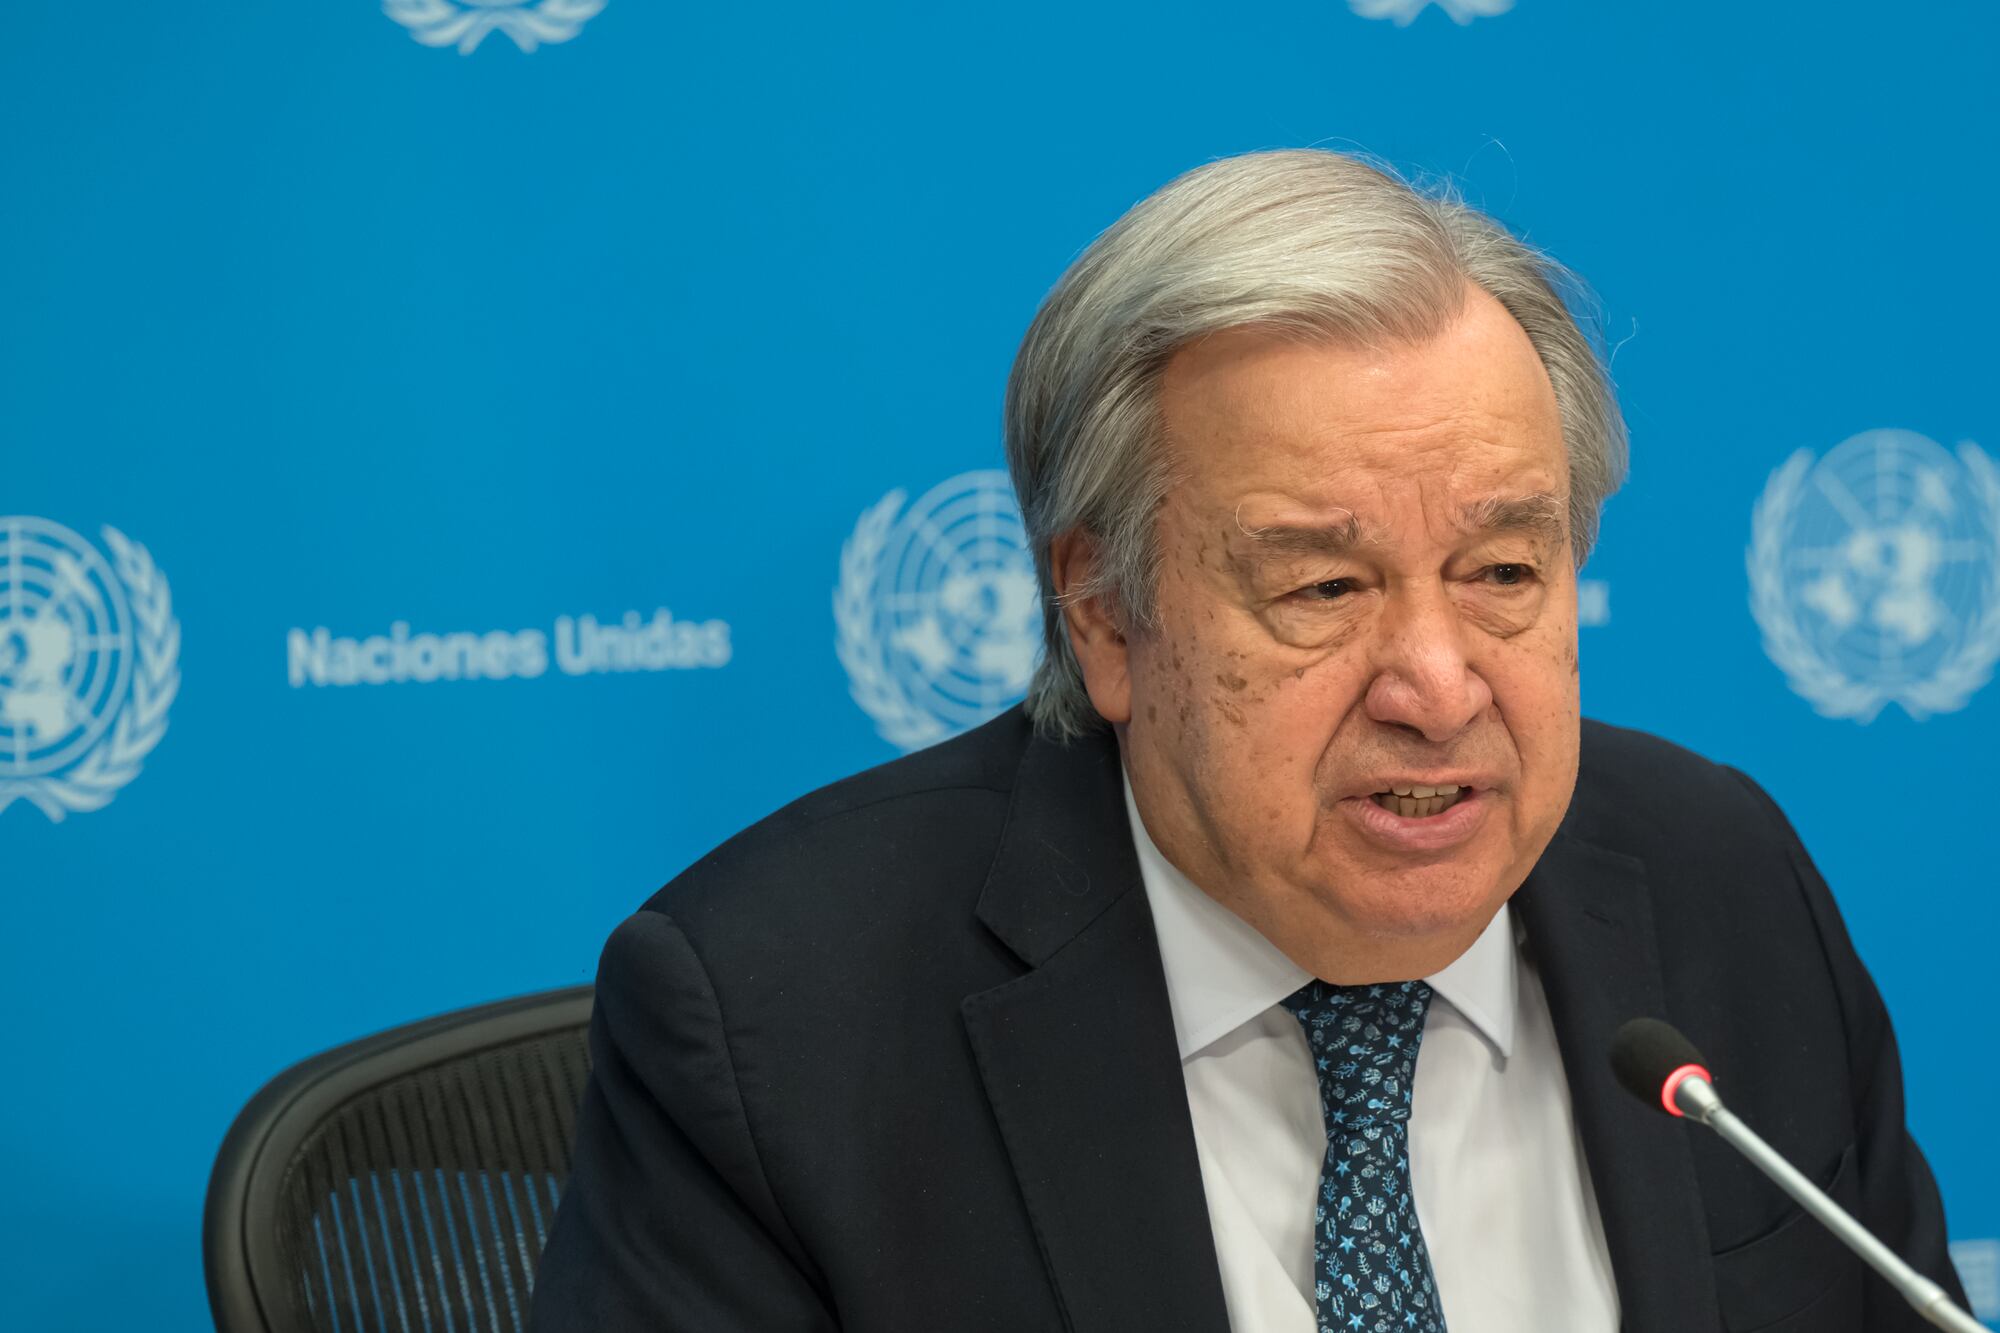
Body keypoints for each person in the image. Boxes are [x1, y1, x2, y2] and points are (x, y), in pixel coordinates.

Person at [529, 148, 1964, 1333]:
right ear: (1104, 612)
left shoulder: (1725, 880)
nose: (1437, 683)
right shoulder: (776, 1023)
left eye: (1504, 573)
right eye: (1324, 586)